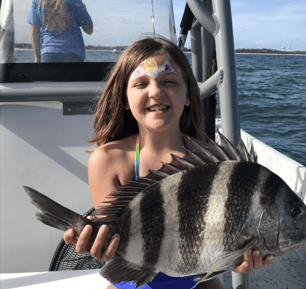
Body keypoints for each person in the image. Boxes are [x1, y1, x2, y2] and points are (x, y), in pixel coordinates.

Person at [63, 37, 273, 288]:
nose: (155, 91)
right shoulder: (109, 160)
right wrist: (98, 243)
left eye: (170, 82)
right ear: (124, 100)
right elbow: (116, 241)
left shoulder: (210, 164)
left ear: (187, 95)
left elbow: (214, 243)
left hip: (195, 282)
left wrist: (233, 257)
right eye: (141, 83)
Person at [27, 0, 93, 62]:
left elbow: (34, 32)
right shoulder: (75, 1)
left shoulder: (36, 1)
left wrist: (37, 58)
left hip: (48, 53)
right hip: (74, 53)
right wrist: (83, 9)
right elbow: (89, 30)